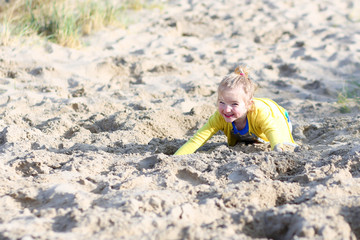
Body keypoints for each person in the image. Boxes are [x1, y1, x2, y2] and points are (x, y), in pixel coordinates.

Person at [174, 65, 298, 155]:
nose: (227, 109)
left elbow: (273, 131)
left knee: (274, 140)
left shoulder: (259, 112)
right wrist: (176, 158)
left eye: (234, 104)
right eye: (222, 102)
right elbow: (197, 139)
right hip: (251, 132)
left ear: (248, 104)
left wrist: (277, 149)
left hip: (278, 118)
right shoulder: (219, 116)